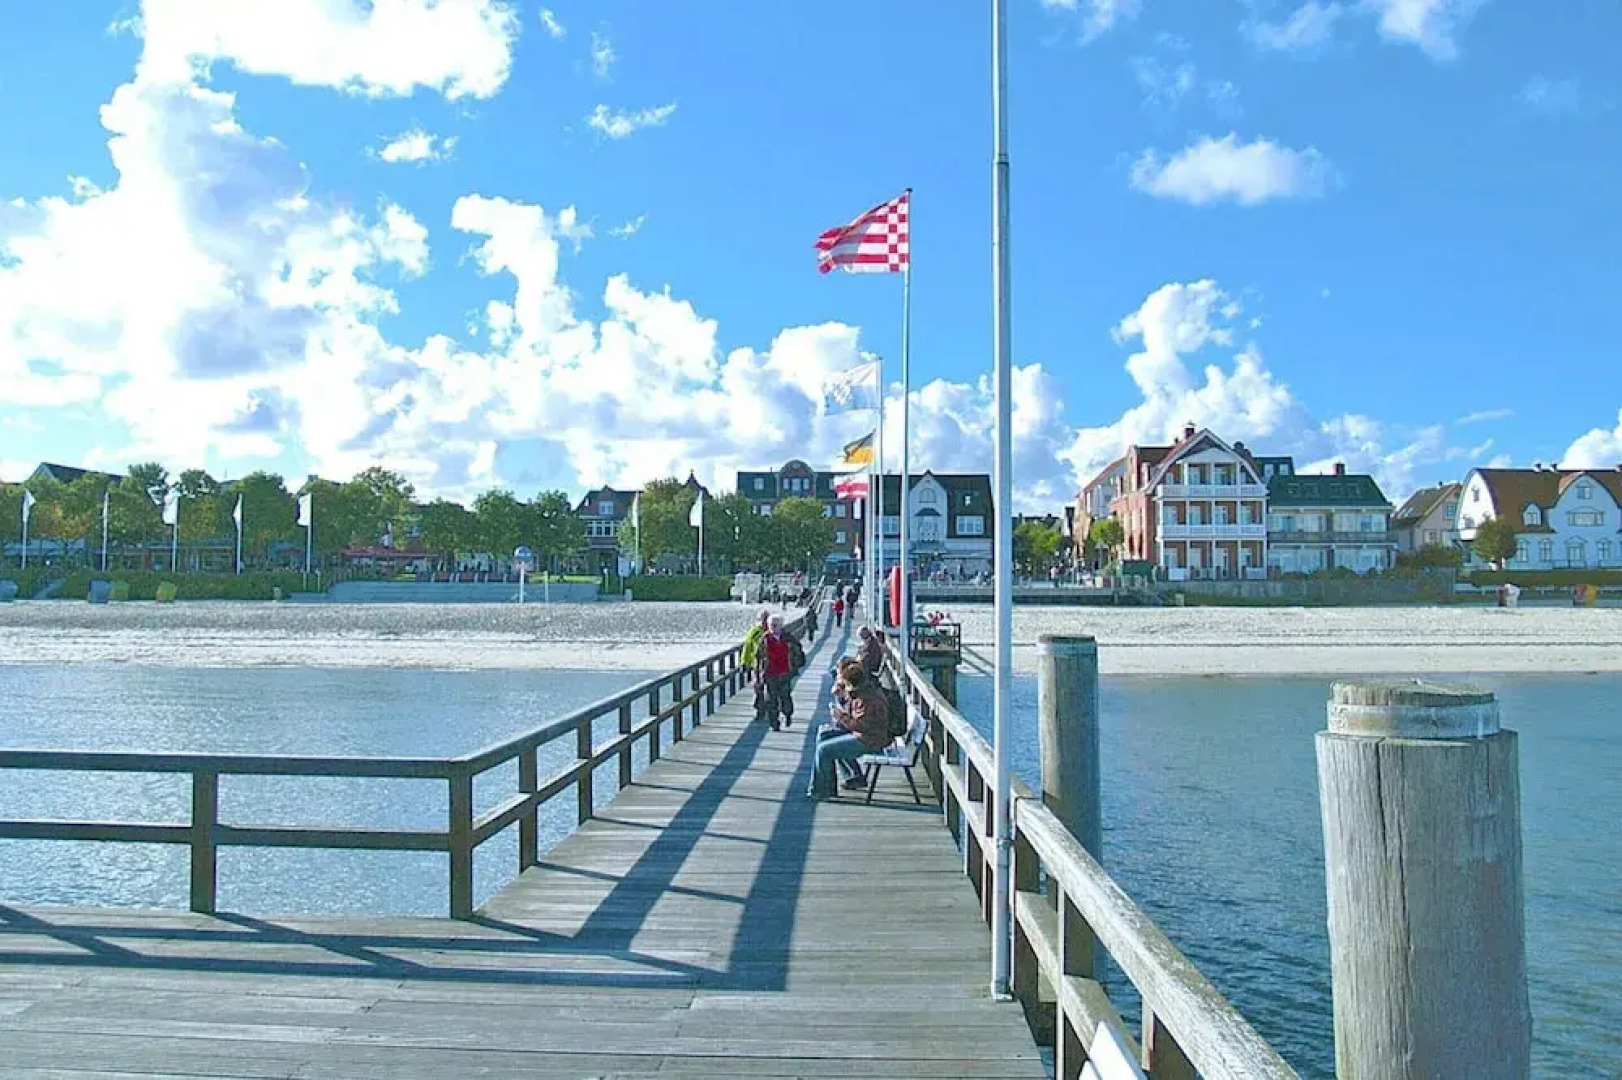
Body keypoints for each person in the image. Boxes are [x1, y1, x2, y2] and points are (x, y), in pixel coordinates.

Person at [808, 664, 890, 799]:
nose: (846, 688)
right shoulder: (865, 692)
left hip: (870, 740)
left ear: (852, 683)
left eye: (846, 684)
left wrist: (840, 716)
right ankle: (829, 786)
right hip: (866, 735)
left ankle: (821, 791)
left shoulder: (868, 699)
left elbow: (859, 725)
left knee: (824, 750)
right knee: (824, 735)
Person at [759, 614, 796, 731]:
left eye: (776, 625)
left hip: (785, 673)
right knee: (771, 700)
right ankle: (774, 723)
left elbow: (799, 653)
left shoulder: (789, 638)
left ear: (781, 626)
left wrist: (794, 667)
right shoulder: (764, 640)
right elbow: (758, 658)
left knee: (785, 697)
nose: (773, 627)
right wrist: (758, 675)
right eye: (771, 625)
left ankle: (788, 714)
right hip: (770, 673)